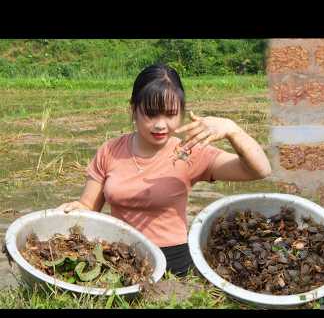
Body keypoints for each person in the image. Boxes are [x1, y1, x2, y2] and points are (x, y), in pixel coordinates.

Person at [58, 63, 272, 275]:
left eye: (170, 114)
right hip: (119, 258)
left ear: (181, 112)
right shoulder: (110, 151)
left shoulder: (189, 152)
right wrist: (70, 211)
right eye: (151, 114)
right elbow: (88, 206)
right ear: (133, 109)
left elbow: (259, 170)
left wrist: (232, 130)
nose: (161, 125)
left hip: (175, 264)